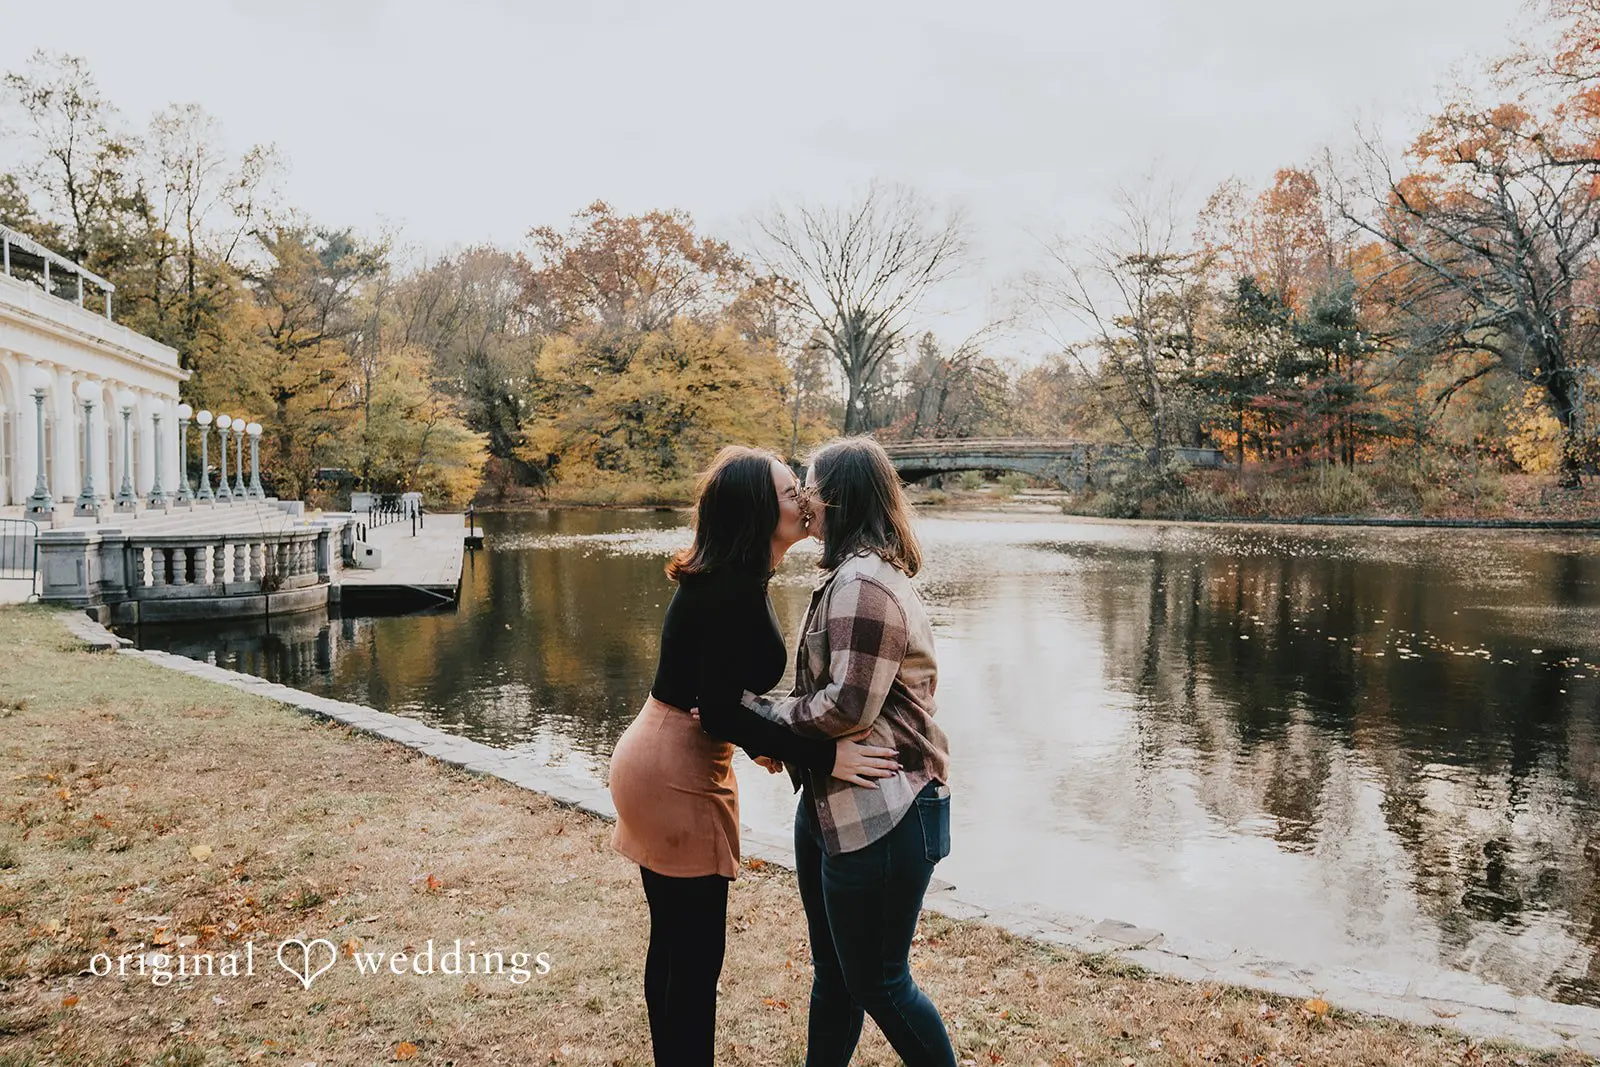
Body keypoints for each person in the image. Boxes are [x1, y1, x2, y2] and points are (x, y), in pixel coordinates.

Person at [608, 445, 902, 1067]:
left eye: (801, 488)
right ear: (754, 512)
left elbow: (722, 705)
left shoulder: (739, 578)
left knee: (674, 948)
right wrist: (822, 758)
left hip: (663, 755)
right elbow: (717, 710)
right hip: (673, 771)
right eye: (789, 492)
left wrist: (757, 733)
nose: (805, 500)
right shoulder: (731, 589)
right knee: (692, 960)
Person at [743, 435, 957, 1067]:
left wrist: (758, 712)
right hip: (834, 806)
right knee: (834, 975)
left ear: (836, 497)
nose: (803, 497)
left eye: (810, 483)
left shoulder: (864, 583)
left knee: (880, 982)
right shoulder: (847, 576)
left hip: (888, 812)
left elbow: (845, 709)